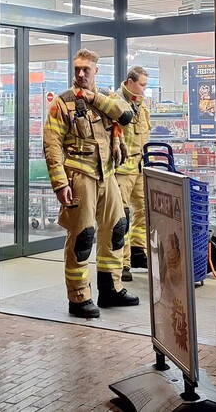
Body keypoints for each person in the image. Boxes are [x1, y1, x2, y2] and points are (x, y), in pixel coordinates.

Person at [43, 48, 138, 318]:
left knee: (117, 229)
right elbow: (52, 146)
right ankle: (78, 296)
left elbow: (125, 116)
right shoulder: (62, 103)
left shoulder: (105, 98)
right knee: (82, 237)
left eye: (86, 69)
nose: (81, 74)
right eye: (77, 70)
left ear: (96, 71)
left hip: (107, 175)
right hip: (80, 176)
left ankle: (111, 289)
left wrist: (94, 97)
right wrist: (61, 184)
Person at [114, 66, 152, 281]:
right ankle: (123, 262)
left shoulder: (141, 104)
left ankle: (138, 251)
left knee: (144, 209)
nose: (144, 90)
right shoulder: (115, 103)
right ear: (130, 81)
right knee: (122, 216)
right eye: (142, 84)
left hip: (139, 167)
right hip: (122, 169)